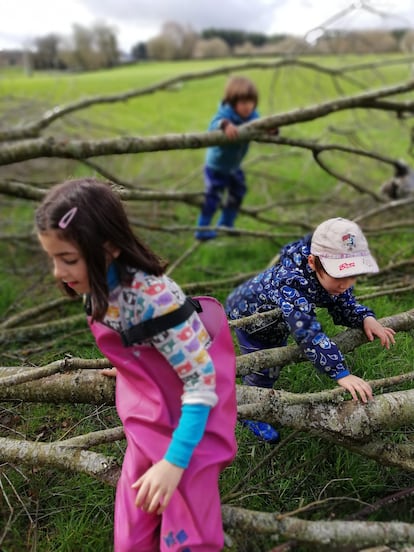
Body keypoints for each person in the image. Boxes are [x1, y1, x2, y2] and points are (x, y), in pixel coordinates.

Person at [35, 178, 238, 552]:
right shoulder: (96, 284)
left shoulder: (153, 301)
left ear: (108, 247)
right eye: (53, 259)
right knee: (132, 529)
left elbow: (201, 382)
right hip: (147, 412)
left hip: (195, 417)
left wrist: (175, 463)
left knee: (187, 534)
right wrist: (135, 371)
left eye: (67, 260)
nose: (57, 273)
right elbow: (140, 345)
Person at [226, 217, 396, 443]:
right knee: (265, 369)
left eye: (352, 275)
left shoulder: (330, 277)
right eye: (340, 276)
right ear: (313, 262)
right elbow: (306, 331)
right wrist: (339, 372)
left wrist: (365, 317)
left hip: (277, 321)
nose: (346, 284)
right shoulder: (290, 282)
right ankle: (251, 410)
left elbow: (343, 302)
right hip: (252, 321)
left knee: (276, 354)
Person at [195, 75, 261, 240]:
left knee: (238, 191)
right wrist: (225, 125)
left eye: (251, 102)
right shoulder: (225, 114)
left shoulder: (253, 116)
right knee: (213, 197)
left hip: (234, 166)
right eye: (243, 103)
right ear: (232, 102)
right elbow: (214, 124)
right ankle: (202, 229)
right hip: (216, 167)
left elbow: (262, 126)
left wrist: (272, 130)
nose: (248, 107)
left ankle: (226, 224)